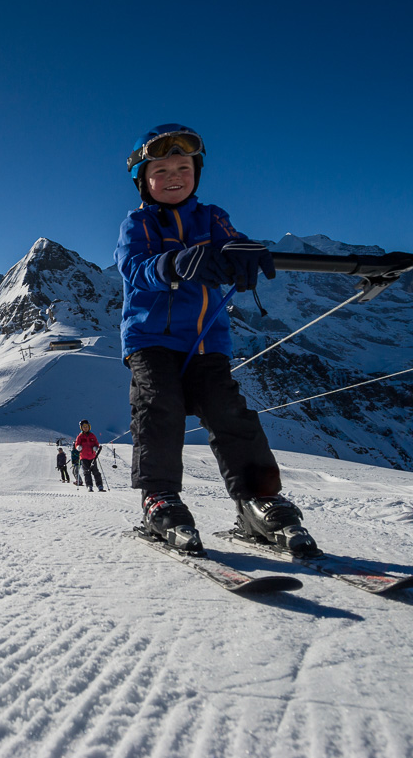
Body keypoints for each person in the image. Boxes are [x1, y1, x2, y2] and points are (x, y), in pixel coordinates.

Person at [116, 123, 317, 555]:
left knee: (230, 414)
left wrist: (244, 254)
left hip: (207, 341)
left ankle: (258, 499)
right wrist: (173, 264)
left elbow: (232, 243)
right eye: (161, 170)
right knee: (159, 408)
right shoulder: (139, 222)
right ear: (143, 181)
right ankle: (159, 497)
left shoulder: (212, 218)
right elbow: (135, 267)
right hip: (152, 340)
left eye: (183, 168)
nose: (173, 176)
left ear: (197, 173)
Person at [74, 420, 104, 491]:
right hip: (84, 457)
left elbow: (96, 443)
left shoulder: (92, 435)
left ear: (89, 427)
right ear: (81, 428)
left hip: (92, 457)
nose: (85, 428)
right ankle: (89, 485)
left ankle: (99, 485)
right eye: (84, 427)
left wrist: (96, 447)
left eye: (86, 426)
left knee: (95, 471)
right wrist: (78, 447)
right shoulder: (80, 436)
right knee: (87, 472)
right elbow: (77, 444)